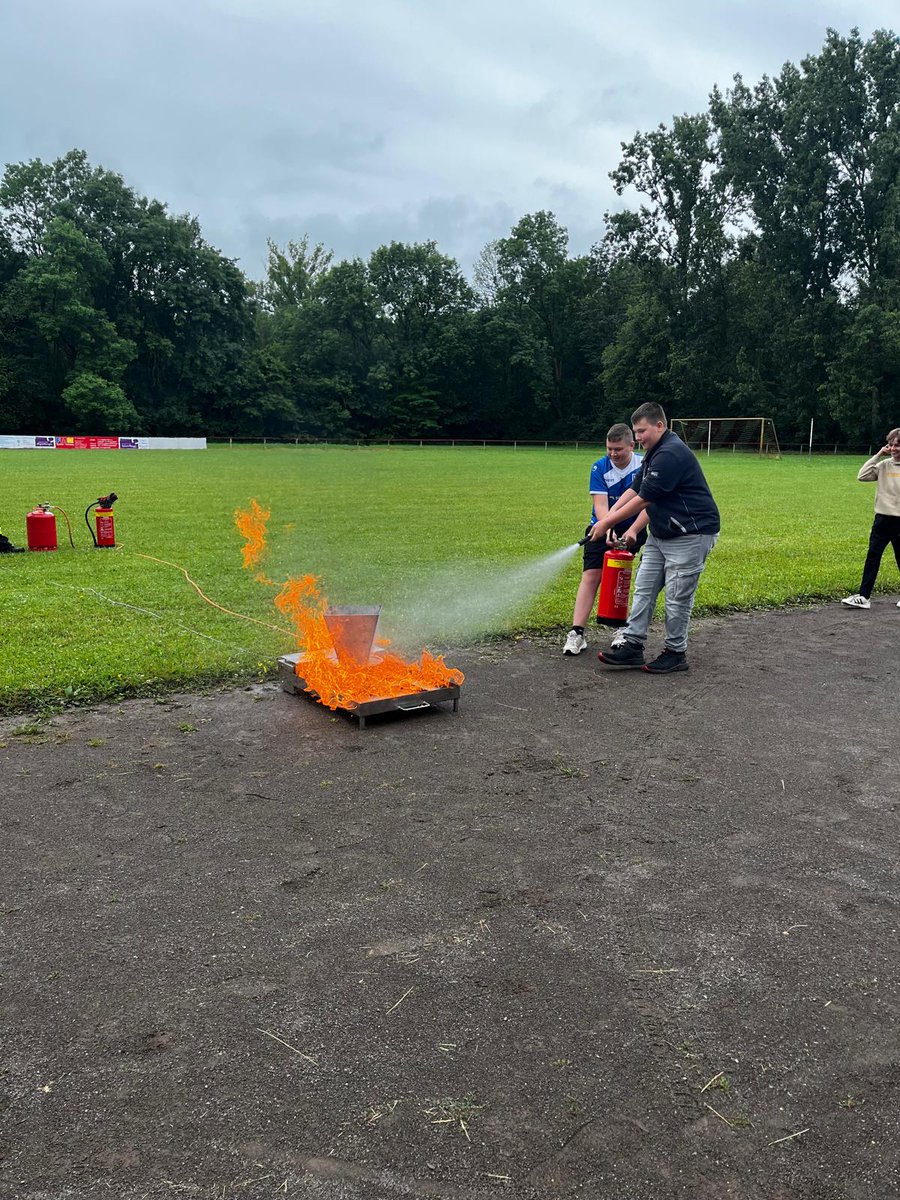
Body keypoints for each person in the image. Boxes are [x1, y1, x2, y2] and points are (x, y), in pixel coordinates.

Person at [588, 402, 720, 674]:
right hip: (662, 534)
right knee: (644, 587)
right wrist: (606, 519)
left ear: (660, 425)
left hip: (690, 534)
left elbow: (644, 499)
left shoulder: (670, 453)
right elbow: (635, 489)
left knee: (676, 596)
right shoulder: (653, 452)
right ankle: (633, 646)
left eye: (641, 431)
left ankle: (675, 653)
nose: (637, 438)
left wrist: (606, 524)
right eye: (635, 432)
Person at [563, 423, 649, 655]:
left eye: (618, 449)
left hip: (633, 528)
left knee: (622, 578)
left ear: (632, 445)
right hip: (601, 527)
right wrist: (607, 527)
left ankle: (622, 630)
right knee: (591, 576)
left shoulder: (644, 464)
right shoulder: (599, 467)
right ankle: (577, 633)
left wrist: (631, 532)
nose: (613, 453)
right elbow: (600, 505)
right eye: (609, 448)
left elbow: (648, 503)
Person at [841, 429, 900, 610]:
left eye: (897, 445)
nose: (893, 449)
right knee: (872, 557)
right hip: (881, 520)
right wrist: (878, 455)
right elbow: (862, 475)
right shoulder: (883, 465)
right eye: (891, 445)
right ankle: (864, 596)